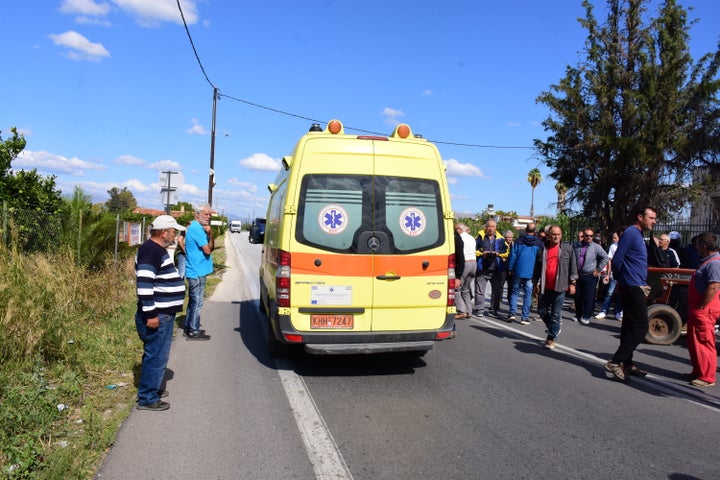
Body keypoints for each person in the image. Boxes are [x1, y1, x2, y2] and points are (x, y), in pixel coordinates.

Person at [134, 215, 186, 411]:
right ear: (164, 232)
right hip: (158, 315)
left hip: (162, 313)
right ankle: (147, 397)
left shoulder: (155, 250)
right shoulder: (151, 251)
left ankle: (151, 387)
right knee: (157, 356)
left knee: (154, 354)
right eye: (174, 232)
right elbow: (144, 284)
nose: (175, 235)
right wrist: (151, 314)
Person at [604, 206, 657, 381]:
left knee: (629, 325)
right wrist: (623, 280)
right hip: (632, 285)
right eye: (651, 218)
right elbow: (617, 260)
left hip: (635, 284)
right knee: (641, 327)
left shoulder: (639, 235)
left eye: (655, 218)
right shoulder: (630, 233)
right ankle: (616, 361)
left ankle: (627, 364)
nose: (653, 221)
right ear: (640, 216)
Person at [533, 225, 578, 349]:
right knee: (541, 311)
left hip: (560, 286)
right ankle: (555, 328)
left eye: (558, 234)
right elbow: (537, 269)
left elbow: (573, 267)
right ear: (548, 235)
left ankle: (551, 338)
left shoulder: (567, 249)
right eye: (553, 234)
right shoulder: (542, 250)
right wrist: (535, 284)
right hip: (545, 287)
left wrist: (573, 283)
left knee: (555, 314)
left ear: (561, 235)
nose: (556, 236)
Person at [685, 232, 720, 387]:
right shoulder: (708, 261)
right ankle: (698, 371)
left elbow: (714, 286)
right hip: (699, 308)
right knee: (694, 341)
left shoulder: (714, 263)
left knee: (704, 341)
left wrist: (701, 306)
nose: (696, 247)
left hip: (705, 309)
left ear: (705, 247)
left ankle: (706, 376)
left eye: (698, 244)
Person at [184, 204, 214, 341]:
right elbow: (208, 250)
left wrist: (209, 233)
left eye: (209, 215)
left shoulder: (198, 228)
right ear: (197, 215)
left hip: (197, 270)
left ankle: (189, 326)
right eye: (206, 214)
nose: (208, 217)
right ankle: (193, 331)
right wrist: (210, 233)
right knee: (197, 302)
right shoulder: (196, 229)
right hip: (196, 271)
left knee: (193, 302)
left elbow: (209, 248)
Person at [507, 223, 544, 324]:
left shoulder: (518, 241)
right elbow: (540, 260)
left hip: (518, 270)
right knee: (528, 295)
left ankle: (512, 313)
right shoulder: (539, 243)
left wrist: (510, 268)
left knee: (515, 292)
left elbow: (513, 255)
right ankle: (524, 317)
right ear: (535, 231)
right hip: (531, 272)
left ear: (526, 230)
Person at [573, 228, 608, 325]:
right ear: (583, 236)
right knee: (578, 297)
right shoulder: (576, 246)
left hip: (590, 276)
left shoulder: (596, 247)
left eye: (591, 236)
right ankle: (578, 315)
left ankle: (586, 316)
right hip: (578, 275)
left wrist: (598, 270)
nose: (589, 237)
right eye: (587, 235)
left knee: (588, 297)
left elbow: (605, 257)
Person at [473, 219, 508, 317]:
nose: (491, 228)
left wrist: (499, 254)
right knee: (480, 290)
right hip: (482, 267)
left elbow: (506, 252)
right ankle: (479, 309)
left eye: (493, 226)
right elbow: (473, 250)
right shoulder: (479, 238)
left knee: (496, 291)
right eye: (489, 226)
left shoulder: (501, 240)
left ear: (496, 228)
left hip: (496, 268)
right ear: (486, 227)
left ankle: (494, 309)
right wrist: (481, 253)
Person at [596, 228, 624, 320]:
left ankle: (617, 312)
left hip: (624, 275)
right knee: (609, 293)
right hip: (614, 274)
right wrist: (608, 274)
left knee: (620, 294)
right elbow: (609, 261)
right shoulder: (613, 246)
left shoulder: (627, 245)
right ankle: (604, 311)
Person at [454, 223, 477, 320]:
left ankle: (461, 311)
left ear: (459, 229)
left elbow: (459, 254)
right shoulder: (471, 237)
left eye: (455, 230)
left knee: (456, 288)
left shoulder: (459, 238)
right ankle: (469, 311)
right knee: (466, 289)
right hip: (473, 264)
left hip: (465, 264)